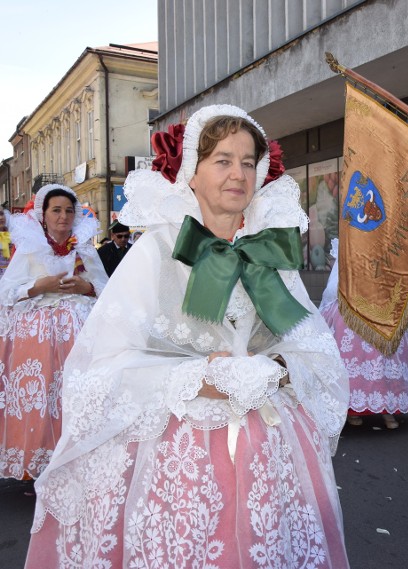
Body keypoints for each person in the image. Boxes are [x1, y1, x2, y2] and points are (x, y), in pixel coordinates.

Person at [25, 105, 351, 567]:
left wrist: (275, 369)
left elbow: (314, 351)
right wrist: (199, 378)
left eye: (247, 162)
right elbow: (99, 368)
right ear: (190, 175)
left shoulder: (268, 254)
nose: (238, 173)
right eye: (222, 160)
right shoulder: (158, 250)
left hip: (270, 456)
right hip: (179, 461)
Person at [0, 184, 108, 480]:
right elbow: (5, 291)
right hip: (38, 335)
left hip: (79, 331)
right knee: (43, 396)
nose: (63, 217)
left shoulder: (84, 248)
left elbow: (108, 290)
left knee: (76, 393)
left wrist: (87, 287)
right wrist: (38, 287)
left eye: (69, 211)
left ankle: (77, 461)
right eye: (56, 210)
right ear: (43, 216)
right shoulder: (31, 247)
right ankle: (40, 464)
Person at [320, 238, 408, 430]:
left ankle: (387, 406)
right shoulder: (348, 237)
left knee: (384, 357)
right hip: (349, 303)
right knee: (354, 355)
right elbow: (338, 273)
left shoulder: (386, 237)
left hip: (380, 305)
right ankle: (352, 409)